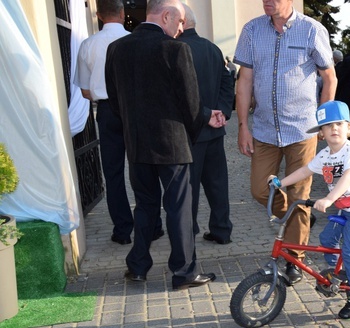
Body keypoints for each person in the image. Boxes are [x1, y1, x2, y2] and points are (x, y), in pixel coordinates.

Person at [105, 0, 225, 290]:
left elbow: (114, 99)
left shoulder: (117, 49)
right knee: (178, 208)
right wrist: (202, 121)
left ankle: (137, 267)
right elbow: (191, 104)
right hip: (172, 144)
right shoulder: (175, 49)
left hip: (136, 145)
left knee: (145, 205)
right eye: (180, 22)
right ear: (167, 15)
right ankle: (184, 272)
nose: (181, 28)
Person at [234, 0, 337, 285]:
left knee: (299, 193)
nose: (267, 1)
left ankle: (295, 258)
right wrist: (243, 125)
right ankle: (298, 220)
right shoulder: (252, 30)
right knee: (259, 189)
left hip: (302, 130)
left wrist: (323, 121)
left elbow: (329, 78)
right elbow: (244, 80)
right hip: (265, 130)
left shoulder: (311, 30)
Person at [268, 101, 350, 319]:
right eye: (328, 126)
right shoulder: (325, 155)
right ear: (321, 133)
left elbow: (348, 177)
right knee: (327, 239)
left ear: (349, 127)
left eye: (339, 124)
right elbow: (304, 171)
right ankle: (340, 275)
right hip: (343, 209)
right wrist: (280, 183)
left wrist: (329, 198)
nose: (334, 129)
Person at [73, 0, 163, 245]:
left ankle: (122, 230)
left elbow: (84, 92)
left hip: (106, 111)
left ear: (99, 15)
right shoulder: (135, 41)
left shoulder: (88, 45)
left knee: (112, 173)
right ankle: (153, 225)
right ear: (123, 14)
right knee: (144, 167)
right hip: (134, 109)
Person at [179, 4, 235, 245]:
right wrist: (221, 111)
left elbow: (178, 93)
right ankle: (222, 231)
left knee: (188, 187)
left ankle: (188, 233)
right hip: (214, 131)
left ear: (180, 22)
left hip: (189, 132)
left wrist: (207, 114)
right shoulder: (213, 49)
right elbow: (227, 80)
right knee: (218, 184)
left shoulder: (175, 50)